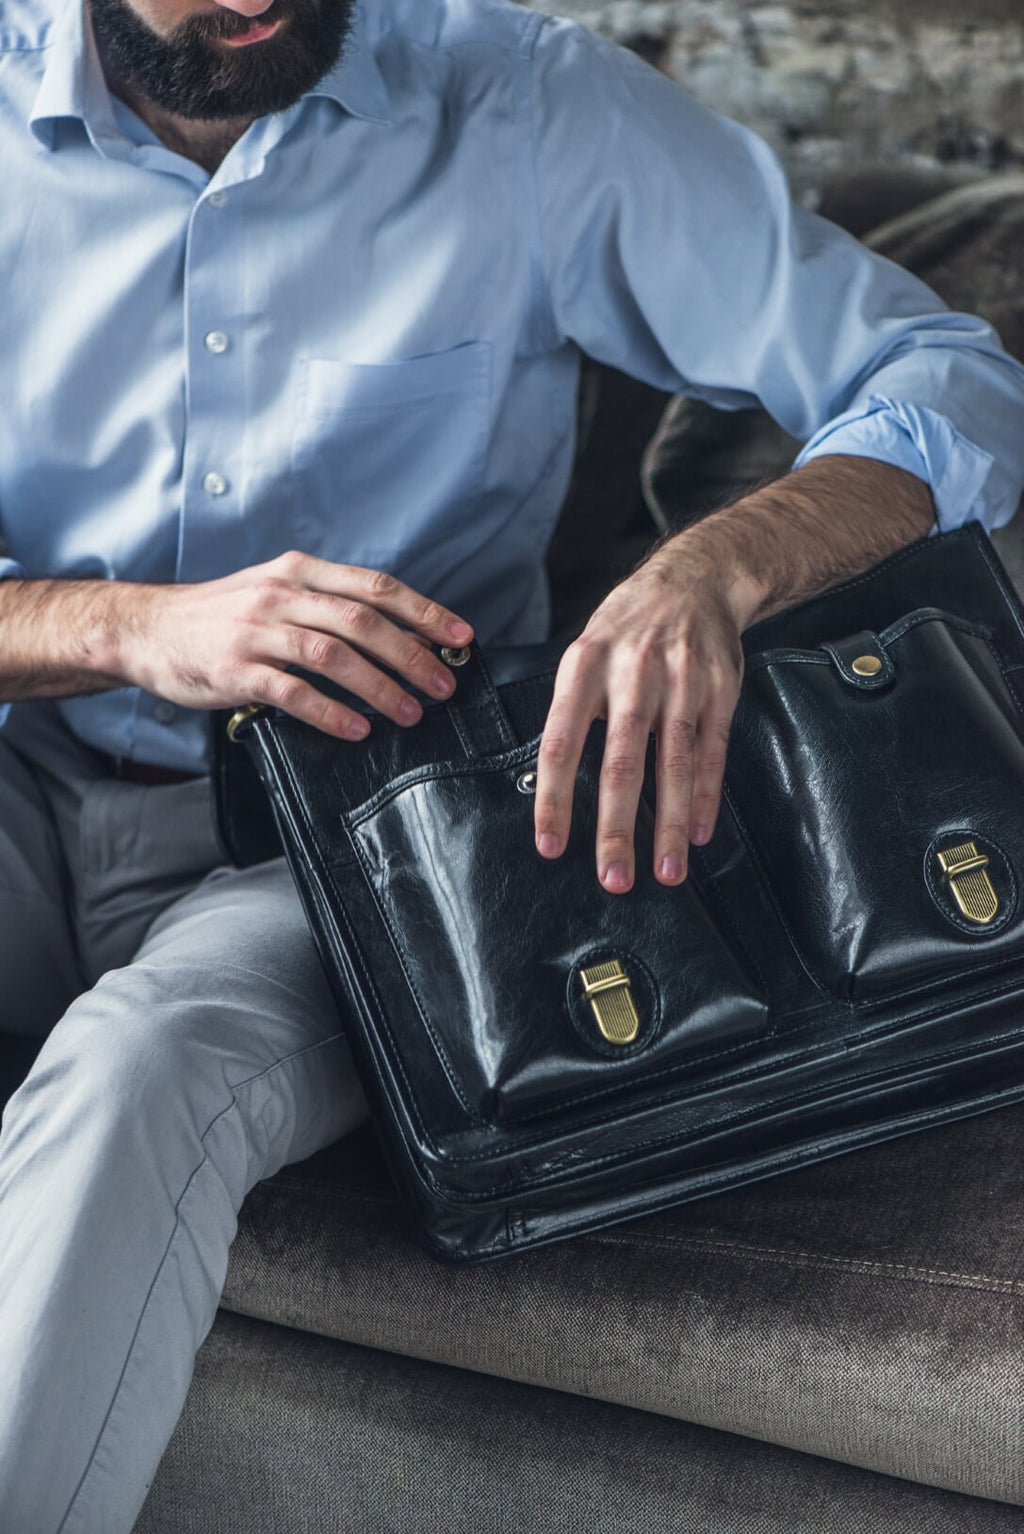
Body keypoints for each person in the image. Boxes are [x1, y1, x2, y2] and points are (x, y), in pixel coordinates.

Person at [0, 0, 1022, 1524]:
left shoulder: (528, 106)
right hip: (35, 769)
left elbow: (954, 375)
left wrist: (719, 566)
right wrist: (130, 625)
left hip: (352, 850)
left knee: (146, 1067)